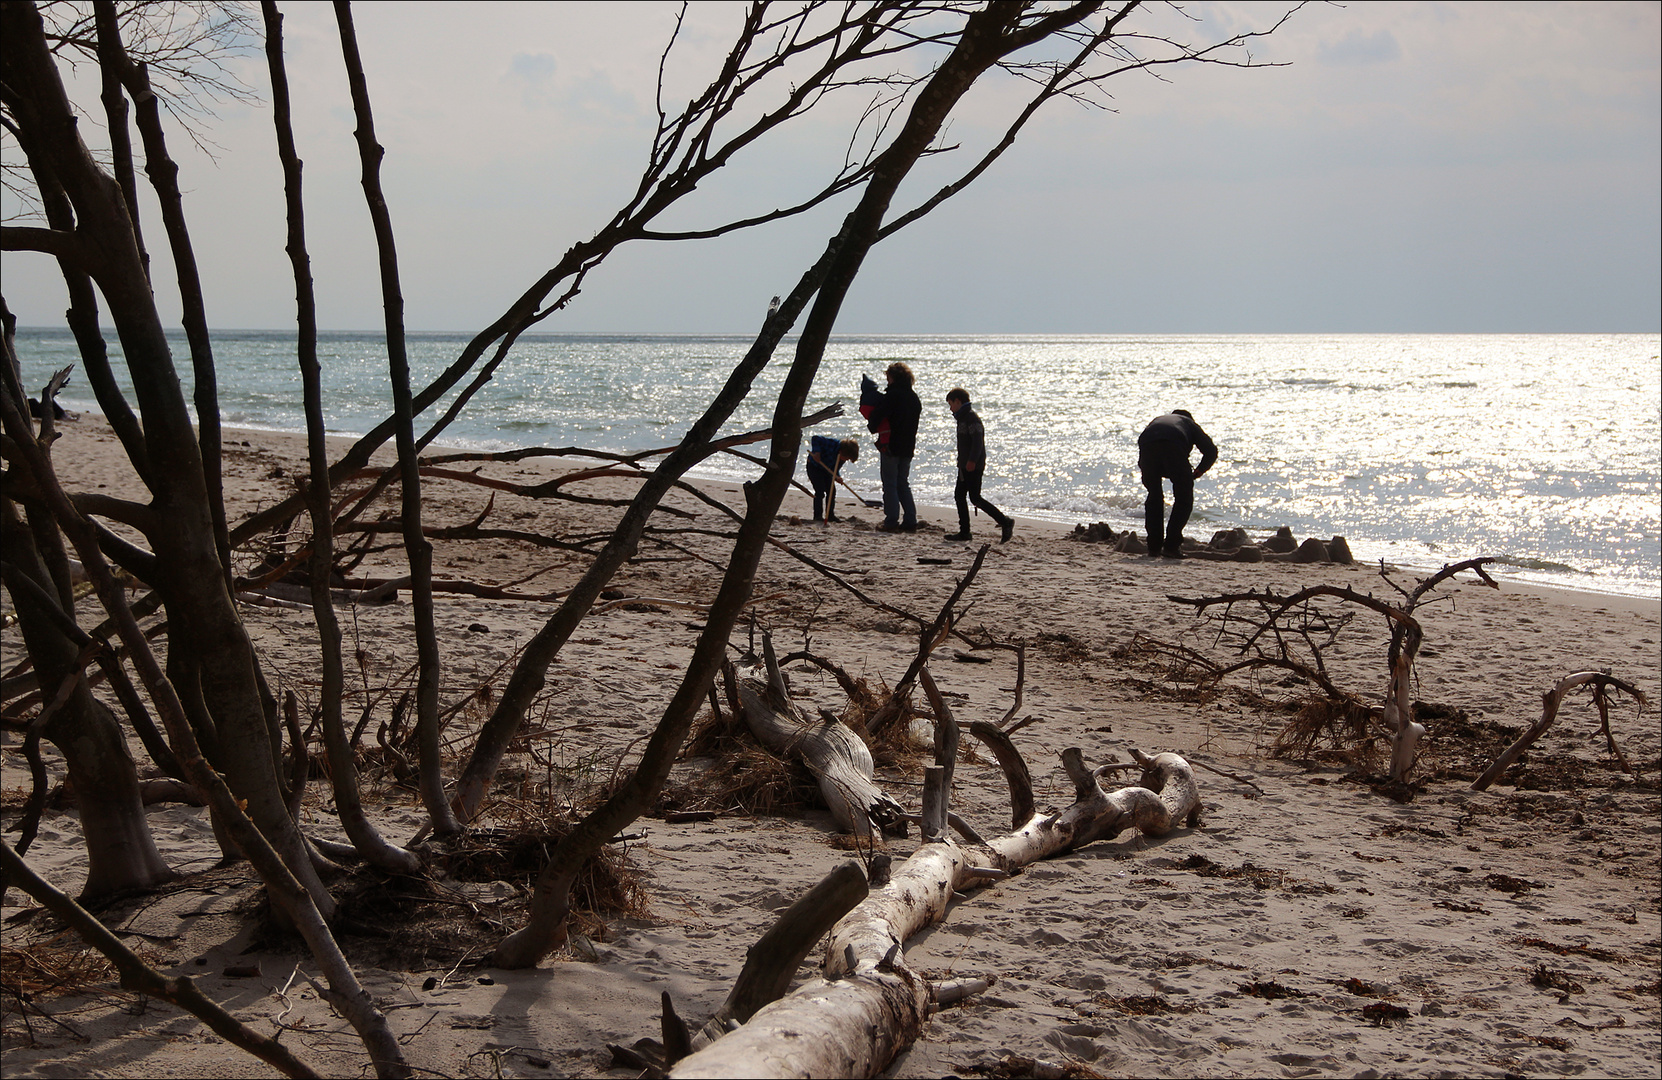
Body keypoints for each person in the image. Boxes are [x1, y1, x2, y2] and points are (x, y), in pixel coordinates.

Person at [1137, 409, 1217, 559]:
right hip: (1172, 446)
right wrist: (1200, 470)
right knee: (1183, 499)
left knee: (1154, 497)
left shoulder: (1160, 419)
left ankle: (1153, 548)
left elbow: (1145, 443)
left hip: (1147, 445)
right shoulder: (1189, 423)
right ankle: (1171, 546)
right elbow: (1211, 451)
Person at [944, 388, 1013, 543]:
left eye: (951, 404)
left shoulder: (971, 418)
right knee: (959, 495)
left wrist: (972, 461)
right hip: (964, 465)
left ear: (958, 401)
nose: (950, 408)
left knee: (975, 498)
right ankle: (965, 532)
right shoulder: (962, 418)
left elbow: (978, 442)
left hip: (973, 465)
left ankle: (1005, 521)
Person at [864, 362, 920, 533]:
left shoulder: (893, 396)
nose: (887, 380)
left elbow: (878, 415)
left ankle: (891, 520)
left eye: (888, 377)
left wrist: (871, 425)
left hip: (890, 444)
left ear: (893, 377)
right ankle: (910, 519)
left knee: (889, 484)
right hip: (908, 445)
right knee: (903, 483)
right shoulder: (913, 398)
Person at [806, 435, 859, 523]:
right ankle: (818, 516)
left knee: (831, 491)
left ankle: (830, 515)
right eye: (846, 458)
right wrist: (817, 452)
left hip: (827, 470)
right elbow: (815, 438)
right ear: (842, 452)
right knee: (820, 490)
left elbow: (834, 469)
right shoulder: (831, 444)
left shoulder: (842, 457)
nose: (846, 460)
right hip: (814, 467)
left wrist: (837, 477)